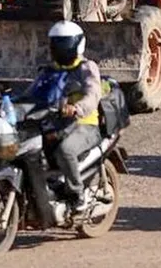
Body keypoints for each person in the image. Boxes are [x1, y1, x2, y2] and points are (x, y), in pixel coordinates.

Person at [24, 21, 102, 208]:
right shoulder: (50, 70)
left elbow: (94, 93)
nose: (61, 49)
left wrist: (77, 108)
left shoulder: (86, 67)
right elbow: (32, 92)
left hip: (85, 124)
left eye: (65, 43)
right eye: (57, 44)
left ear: (77, 44)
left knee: (65, 150)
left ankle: (77, 194)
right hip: (55, 124)